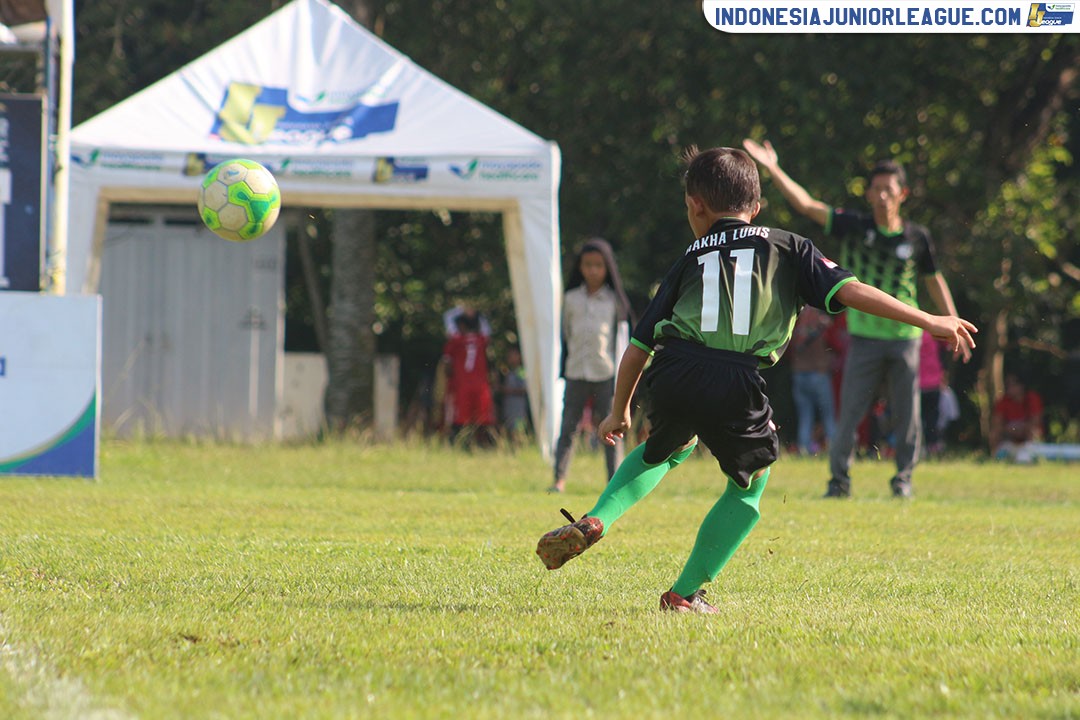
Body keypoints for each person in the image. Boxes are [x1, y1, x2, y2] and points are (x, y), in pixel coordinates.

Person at [535, 146, 978, 614]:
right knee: (750, 484)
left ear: (695, 206)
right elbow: (851, 291)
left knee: (663, 448)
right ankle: (684, 594)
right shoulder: (788, 245)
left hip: (674, 367)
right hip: (735, 375)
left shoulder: (688, 257)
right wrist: (928, 318)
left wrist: (619, 409)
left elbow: (638, 347)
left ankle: (596, 519)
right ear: (757, 207)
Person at [742, 139, 969, 498]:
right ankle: (838, 482)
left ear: (903, 194)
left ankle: (903, 481)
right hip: (862, 338)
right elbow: (806, 205)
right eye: (876, 189)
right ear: (867, 193)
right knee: (849, 413)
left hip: (905, 338)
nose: (882, 196)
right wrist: (772, 168)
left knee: (908, 416)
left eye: (889, 190)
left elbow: (934, 280)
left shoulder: (917, 237)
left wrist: (953, 321)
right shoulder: (852, 225)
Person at [550, 238, 634, 493]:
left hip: (605, 373)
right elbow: (565, 334)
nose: (593, 271)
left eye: (598, 265)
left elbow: (621, 342)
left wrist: (622, 377)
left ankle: (613, 482)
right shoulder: (571, 299)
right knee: (568, 428)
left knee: (611, 430)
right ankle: (559, 479)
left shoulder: (613, 301)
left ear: (607, 267)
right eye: (588, 265)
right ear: (580, 267)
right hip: (576, 371)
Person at [441, 311, 496, 447]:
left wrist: (460, 309)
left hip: (462, 386)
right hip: (481, 386)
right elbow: (487, 329)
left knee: (460, 419)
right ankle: (482, 446)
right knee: (482, 419)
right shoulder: (482, 340)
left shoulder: (455, 341)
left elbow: (447, 365)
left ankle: (460, 445)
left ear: (461, 325)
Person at [789, 306, 836, 455]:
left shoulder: (794, 326)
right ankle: (834, 450)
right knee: (828, 416)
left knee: (805, 416)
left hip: (799, 374)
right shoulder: (823, 325)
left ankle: (804, 449)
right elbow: (836, 345)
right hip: (819, 374)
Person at [989, 373, 1043, 461]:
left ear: (1021, 386)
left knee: (1035, 431)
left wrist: (1022, 428)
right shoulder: (1003, 401)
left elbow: (1036, 421)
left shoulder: (1032, 398)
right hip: (1010, 435)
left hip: (1027, 433)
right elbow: (997, 424)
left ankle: (1030, 455)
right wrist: (1010, 429)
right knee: (994, 433)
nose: (1009, 387)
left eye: (1013, 384)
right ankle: (995, 456)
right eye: (1007, 384)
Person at [497, 344, 530, 445]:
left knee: (518, 428)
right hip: (510, 406)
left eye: (512, 355)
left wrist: (508, 390)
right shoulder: (509, 372)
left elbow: (525, 389)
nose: (509, 358)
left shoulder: (521, 371)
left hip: (518, 407)